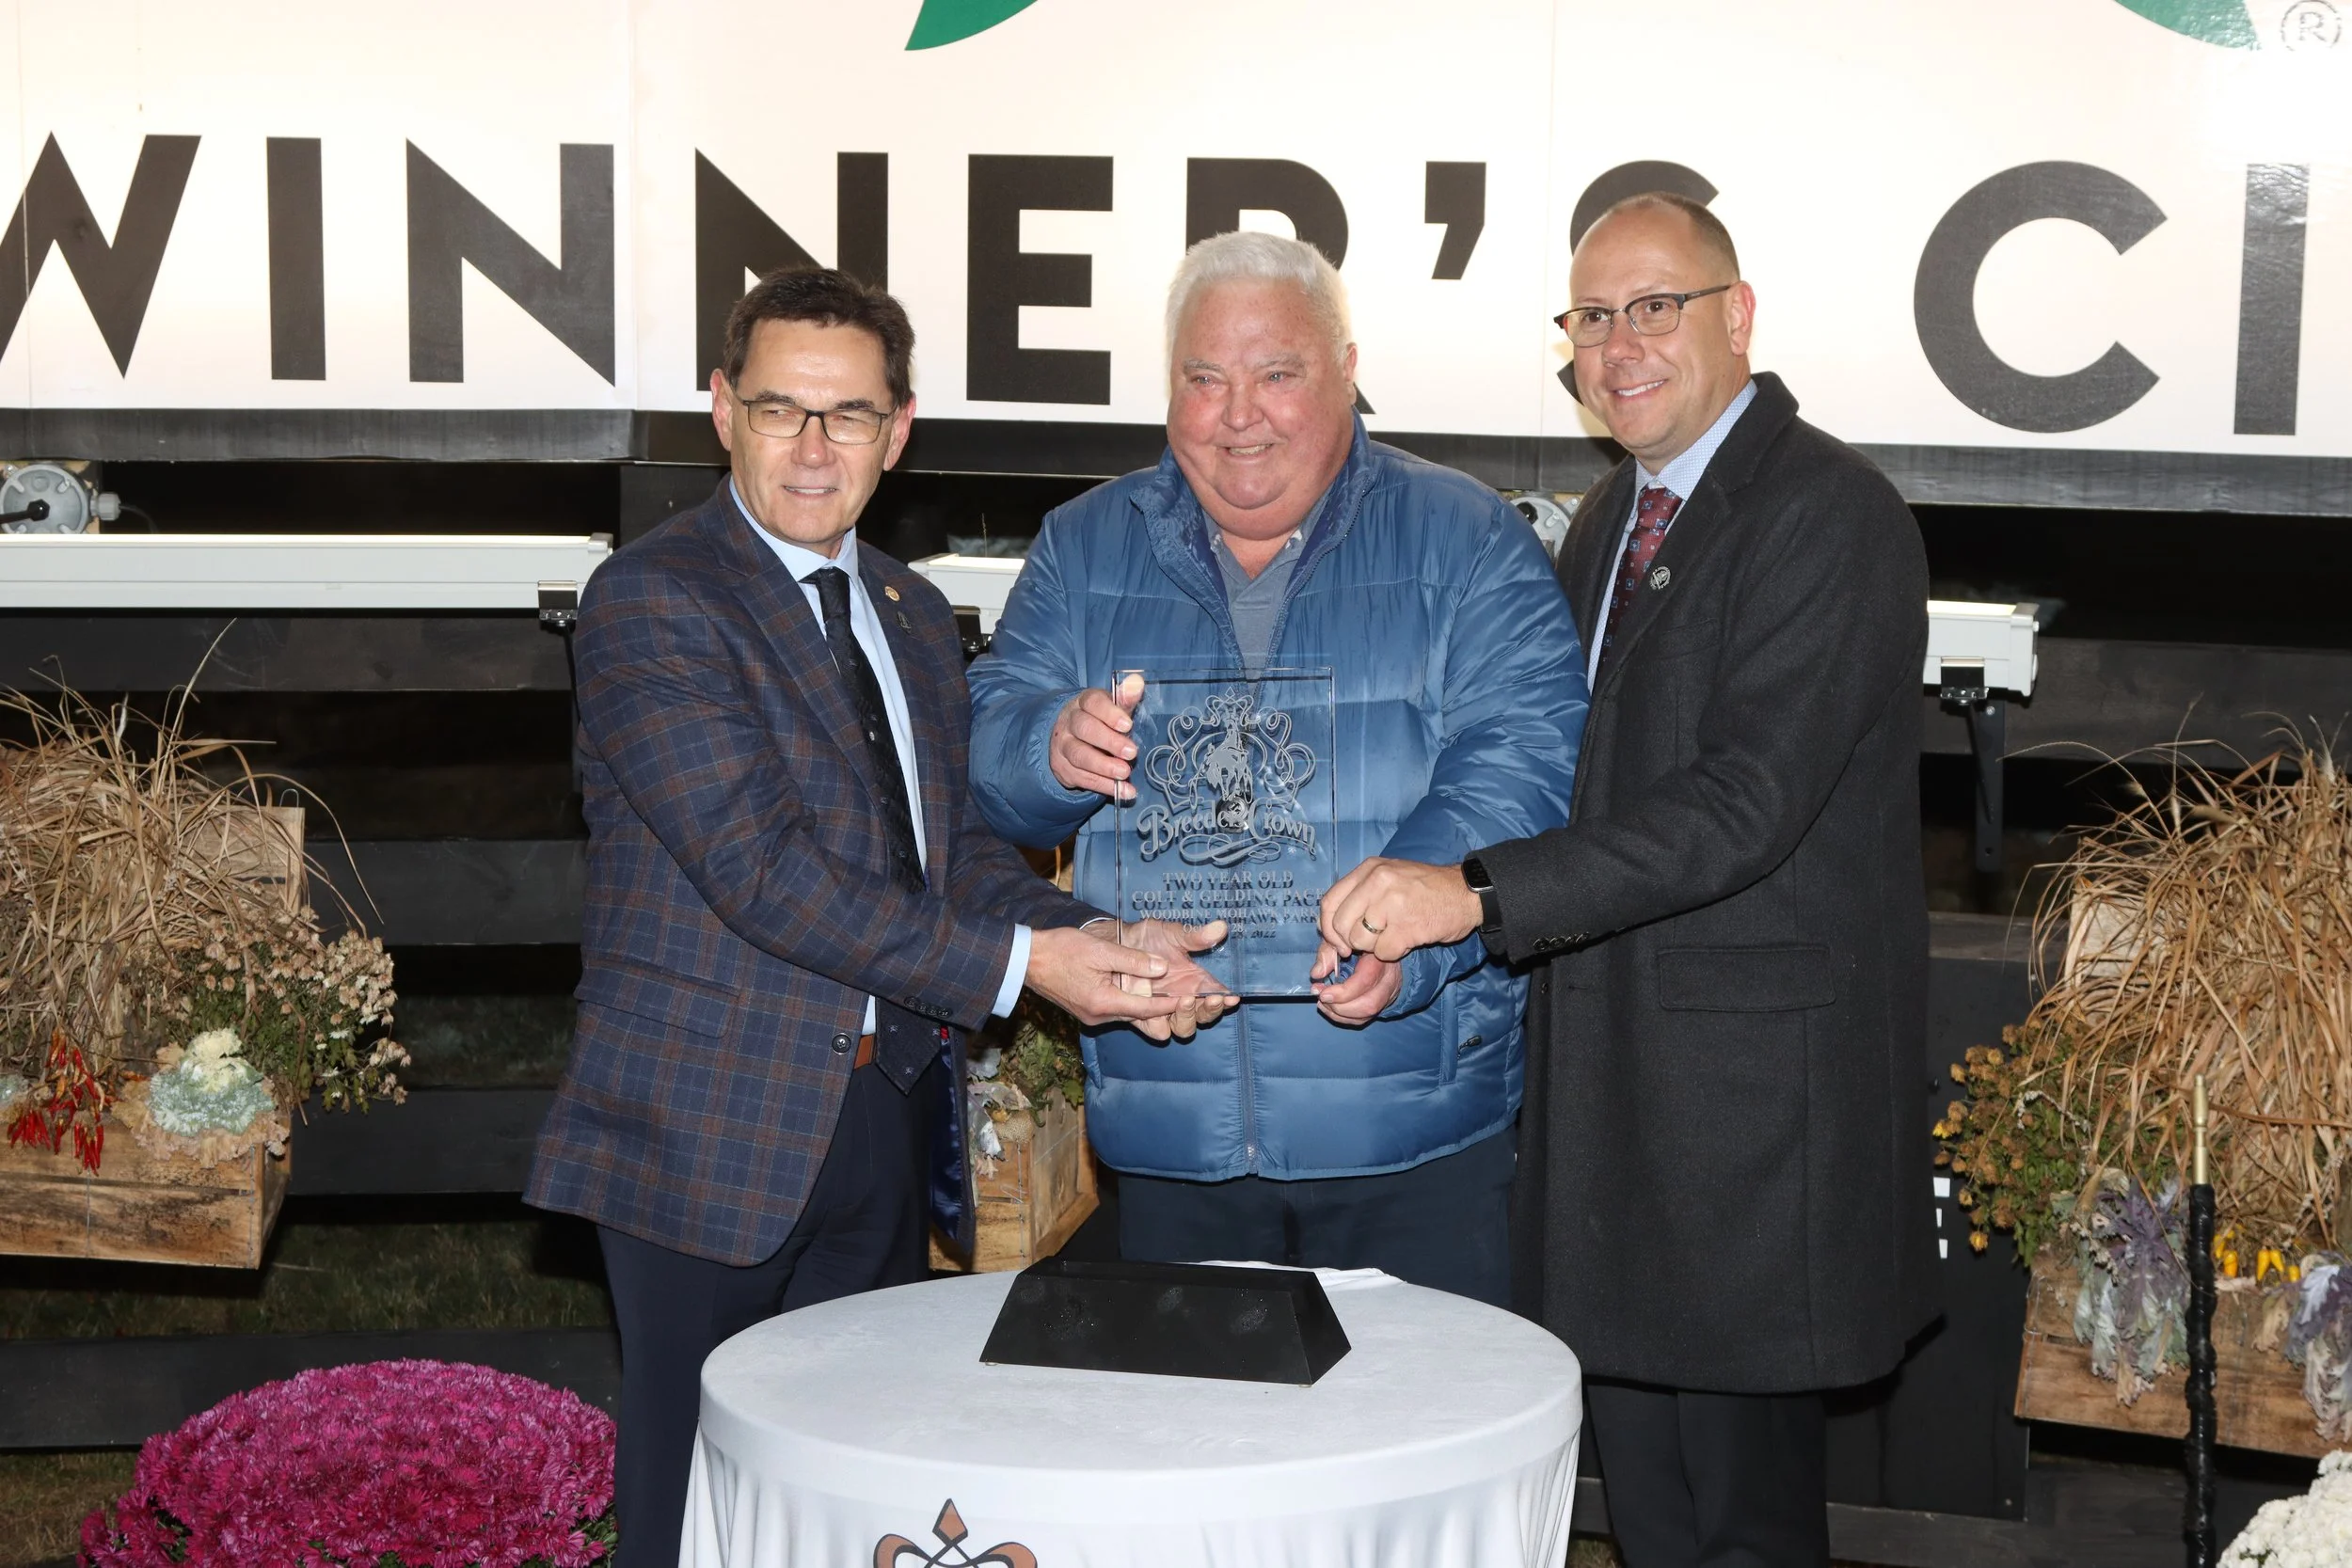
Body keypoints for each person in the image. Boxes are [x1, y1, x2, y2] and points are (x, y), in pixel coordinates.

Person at [525, 268, 1218, 1564]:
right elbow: (763, 872)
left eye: (846, 414)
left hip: (888, 1107)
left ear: (897, 431)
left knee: (855, 1499)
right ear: (721, 410)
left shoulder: (908, 611)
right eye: (779, 408)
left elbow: (948, 850)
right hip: (705, 1129)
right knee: (692, 1504)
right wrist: (1030, 964)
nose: (811, 445)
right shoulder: (652, 598)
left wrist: (1099, 935)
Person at [1316, 193, 1933, 1568]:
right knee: (1649, 1510)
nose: (1619, 344)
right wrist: (1425, 915)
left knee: (1743, 1526)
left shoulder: (1830, 512)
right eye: (1592, 317)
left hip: (1747, 1120)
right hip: (1617, 1101)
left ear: (1738, 314)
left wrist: (1471, 893)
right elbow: (1560, 773)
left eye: (1656, 306)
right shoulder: (1613, 514)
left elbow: (1744, 802)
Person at [964, 230, 1587, 1306]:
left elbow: (1526, 758)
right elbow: (987, 752)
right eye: (1203, 379)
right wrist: (1046, 748)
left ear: (1346, 371)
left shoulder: (1468, 538)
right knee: (1191, 1415)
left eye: (1276, 375)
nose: (1237, 414)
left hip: (1410, 1125)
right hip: (1169, 1128)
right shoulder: (1080, 545)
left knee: (1417, 1416)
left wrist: (1412, 933)